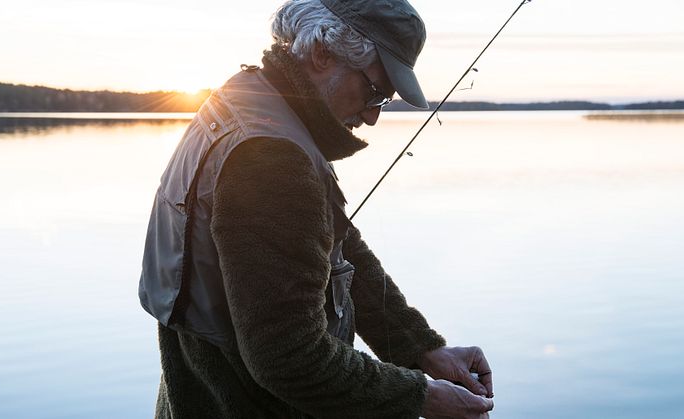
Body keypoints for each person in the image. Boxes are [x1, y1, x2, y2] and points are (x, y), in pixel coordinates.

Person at [138, 0, 494, 417]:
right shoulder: (271, 158)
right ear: (323, 53)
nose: (372, 116)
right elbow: (291, 357)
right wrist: (422, 397)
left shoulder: (247, 101)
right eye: (374, 92)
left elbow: (332, 245)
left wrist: (421, 348)